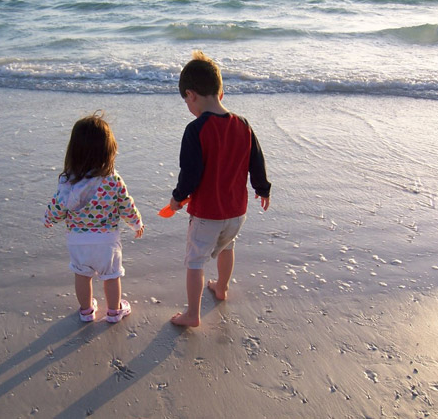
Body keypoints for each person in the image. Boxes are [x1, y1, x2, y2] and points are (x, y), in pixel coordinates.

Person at [168, 51, 271, 327]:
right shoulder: (244, 125)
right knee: (227, 246)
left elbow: (190, 174)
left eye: (186, 101)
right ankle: (222, 288)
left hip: (207, 214)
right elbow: (256, 161)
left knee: (195, 260)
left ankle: (192, 313)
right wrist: (263, 189)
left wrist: (178, 198)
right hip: (237, 212)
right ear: (221, 92)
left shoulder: (195, 130)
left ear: (191, 95)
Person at [43, 113, 144, 323]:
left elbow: (58, 206)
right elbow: (126, 204)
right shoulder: (112, 179)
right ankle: (114, 312)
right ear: (108, 151)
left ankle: (86, 311)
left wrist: (49, 218)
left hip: (78, 241)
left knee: (82, 275)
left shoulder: (68, 181)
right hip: (107, 241)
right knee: (111, 276)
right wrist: (136, 223)